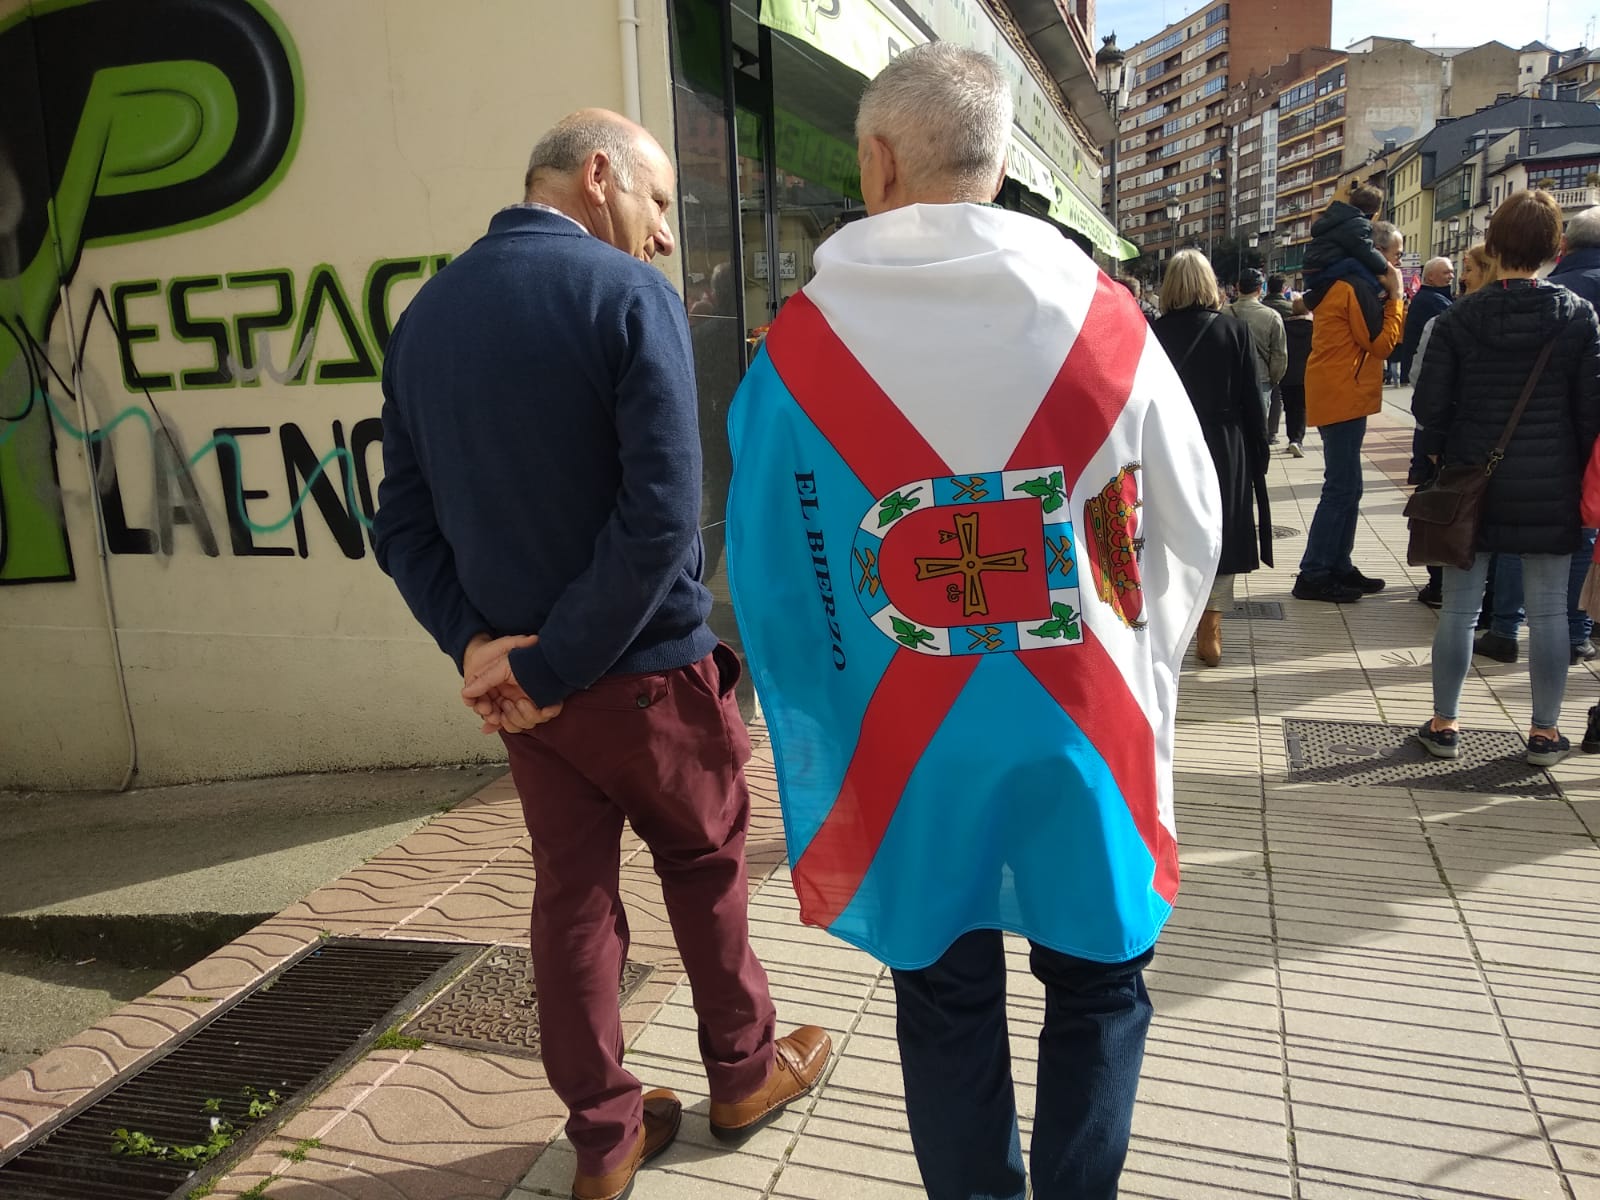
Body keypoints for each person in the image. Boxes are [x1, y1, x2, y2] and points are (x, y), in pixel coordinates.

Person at [723, 43, 1222, 1200]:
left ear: (879, 160)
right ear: (998, 171)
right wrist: (1128, 655)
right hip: (1080, 728)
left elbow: (768, 572)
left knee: (943, 992)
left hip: (905, 747)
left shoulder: (797, 349)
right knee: (1098, 980)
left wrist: (826, 705)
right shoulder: (1105, 322)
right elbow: (1184, 531)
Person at [371, 109, 830, 1200]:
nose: (665, 235)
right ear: (596, 175)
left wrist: (488, 652)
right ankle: (742, 1073)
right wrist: (541, 663)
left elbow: (401, 524)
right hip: (643, 674)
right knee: (706, 864)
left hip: (533, 706)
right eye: (660, 202)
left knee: (571, 902)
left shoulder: (424, 318)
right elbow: (662, 519)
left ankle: (603, 1134)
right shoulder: (628, 300)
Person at [1412, 188, 1600, 767]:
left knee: (1462, 611)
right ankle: (1544, 734)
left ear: (1492, 244)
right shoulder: (1576, 315)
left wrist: (1441, 459)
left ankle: (1445, 723)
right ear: (1554, 247)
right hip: (1551, 482)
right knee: (1547, 612)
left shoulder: (1458, 317)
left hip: (1473, 479)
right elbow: (1592, 411)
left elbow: (1428, 407)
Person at [1477, 206, 1600, 662]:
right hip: (1569, 449)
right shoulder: (1577, 310)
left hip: (1509, 445)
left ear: (1566, 247)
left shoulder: (1559, 293)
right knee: (1583, 535)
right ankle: (1577, 631)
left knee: (1513, 537)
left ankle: (1506, 628)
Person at [1155, 249, 1271, 667]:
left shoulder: (1153, 332)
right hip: (1223, 442)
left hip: (1169, 442)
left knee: (1169, 525)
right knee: (1222, 530)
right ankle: (1211, 624)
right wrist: (1258, 452)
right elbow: (1250, 398)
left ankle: (1174, 618)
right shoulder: (1233, 330)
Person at [1293, 221, 1407, 603]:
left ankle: (1337, 563)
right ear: (1377, 253)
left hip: (1339, 391)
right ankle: (1314, 572)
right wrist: (1397, 297)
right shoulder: (1351, 287)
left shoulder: (1344, 282)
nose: (1398, 263)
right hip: (1341, 393)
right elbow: (1381, 344)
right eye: (1396, 255)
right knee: (1341, 488)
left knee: (1348, 487)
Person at [1411, 246, 1493, 610]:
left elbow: (1422, 382)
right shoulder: (1565, 313)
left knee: (1451, 512)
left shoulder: (1449, 319)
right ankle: (1501, 613)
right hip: (1519, 448)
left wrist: (1431, 436)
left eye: (1469, 269)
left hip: (1459, 441)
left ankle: (1443, 585)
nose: (1461, 276)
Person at [1226, 267, 1287, 437]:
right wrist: (1273, 378)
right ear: (1260, 289)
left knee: (1235, 432)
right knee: (1257, 430)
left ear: (1238, 287)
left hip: (1230, 379)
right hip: (1261, 378)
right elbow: (1279, 355)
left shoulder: (1223, 314)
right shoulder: (1272, 316)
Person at [1302, 181, 1388, 289]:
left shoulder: (1337, 218)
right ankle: (1379, 291)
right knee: (1353, 264)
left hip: (1311, 272)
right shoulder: (1357, 224)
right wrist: (1385, 266)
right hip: (1319, 274)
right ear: (1374, 213)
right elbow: (1365, 250)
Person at [1399, 257, 1454, 385]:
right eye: (1446, 272)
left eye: (1452, 272)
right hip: (1427, 372)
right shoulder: (1430, 301)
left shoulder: (1435, 297)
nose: (1451, 276)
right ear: (1430, 277)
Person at [1281, 296, 1313, 457]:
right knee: (1301, 407)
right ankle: (1297, 440)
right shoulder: (1313, 327)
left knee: (1289, 408)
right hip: (1306, 374)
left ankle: (1292, 438)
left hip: (1286, 373)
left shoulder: (1284, 326)